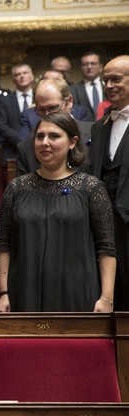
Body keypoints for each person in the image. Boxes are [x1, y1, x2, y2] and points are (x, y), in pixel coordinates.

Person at [0, 111, 116, 312]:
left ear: (72, 142)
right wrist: (4, 293)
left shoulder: (91, 188)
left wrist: (106, 298)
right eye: (40, 136)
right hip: (24, 293)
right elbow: (3, 244)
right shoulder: (16, 188)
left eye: (54, 136)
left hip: (78, 293)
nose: (45, 142)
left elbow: (106, 248)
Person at [88, 55, 129, 311]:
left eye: (117, 79)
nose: (109, 85)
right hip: (106, 226)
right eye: (106, 80)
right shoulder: (99, 127)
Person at [16, 78, 93, 175]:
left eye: (53, 108)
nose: (47, 114)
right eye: (41, 109)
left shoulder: (94, 133)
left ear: (69, 101)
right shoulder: (25, 148)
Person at [0, 63, 35, 163]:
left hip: (39, 150)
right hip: (13, 151)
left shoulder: (41, 98)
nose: (22, 76)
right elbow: (2, 126)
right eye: (18, 74)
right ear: (13, 80)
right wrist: (22, 141)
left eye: (25, 73)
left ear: (32, 77)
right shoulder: (5, 101)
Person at [70, 52, 105, 122]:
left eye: (93, 63)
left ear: (101, 67)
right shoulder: (72, 89)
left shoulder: (108, 87)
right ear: (80, 68)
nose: (89, 67)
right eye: (85, 64)